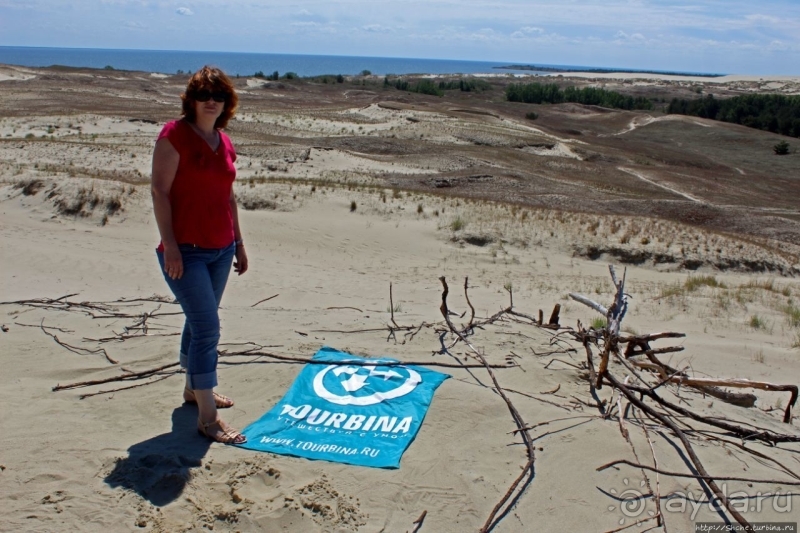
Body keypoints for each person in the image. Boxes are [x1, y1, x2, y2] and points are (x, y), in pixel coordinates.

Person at [151, 66, 247, 444]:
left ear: (226, 103)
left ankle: (194, 389)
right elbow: (160, 192)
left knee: (199, 321)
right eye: (204, 95)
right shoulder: (173, 137)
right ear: (191, 99)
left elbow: (228, 196)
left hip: (221, 249)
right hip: (185, 250)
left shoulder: (223, 142)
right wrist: (170, 246)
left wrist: (238, 243)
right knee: (207, 327)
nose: (212, 101)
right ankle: (207, 418)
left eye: (218, 96)